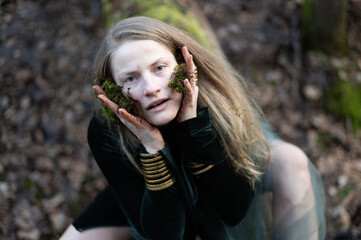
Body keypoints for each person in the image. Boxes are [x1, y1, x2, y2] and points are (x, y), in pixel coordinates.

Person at [60, 16, 326, 240]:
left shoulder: (214, 99)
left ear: (181, 62)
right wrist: (153, 148)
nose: (151, 88)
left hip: (222, 171)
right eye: (131, 78)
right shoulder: (107, 128)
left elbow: (233, 211)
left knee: (292, 162)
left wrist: (193, 127)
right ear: (113, 91)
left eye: (160, 68)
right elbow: (166, 236)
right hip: (149, 192)